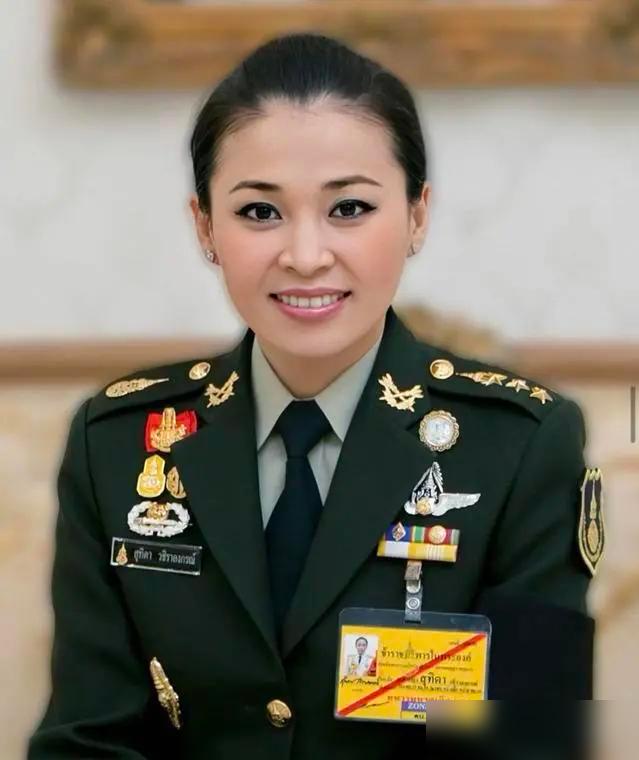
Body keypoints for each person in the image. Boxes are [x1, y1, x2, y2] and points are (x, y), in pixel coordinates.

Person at [29, 32, 602, 760]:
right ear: (205, 226)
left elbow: (531, 744)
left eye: (350, 208)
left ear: (417, 215)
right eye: (259, 213)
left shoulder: (519, 446)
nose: (304, 256)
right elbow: (87, 740)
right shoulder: (117, 444)